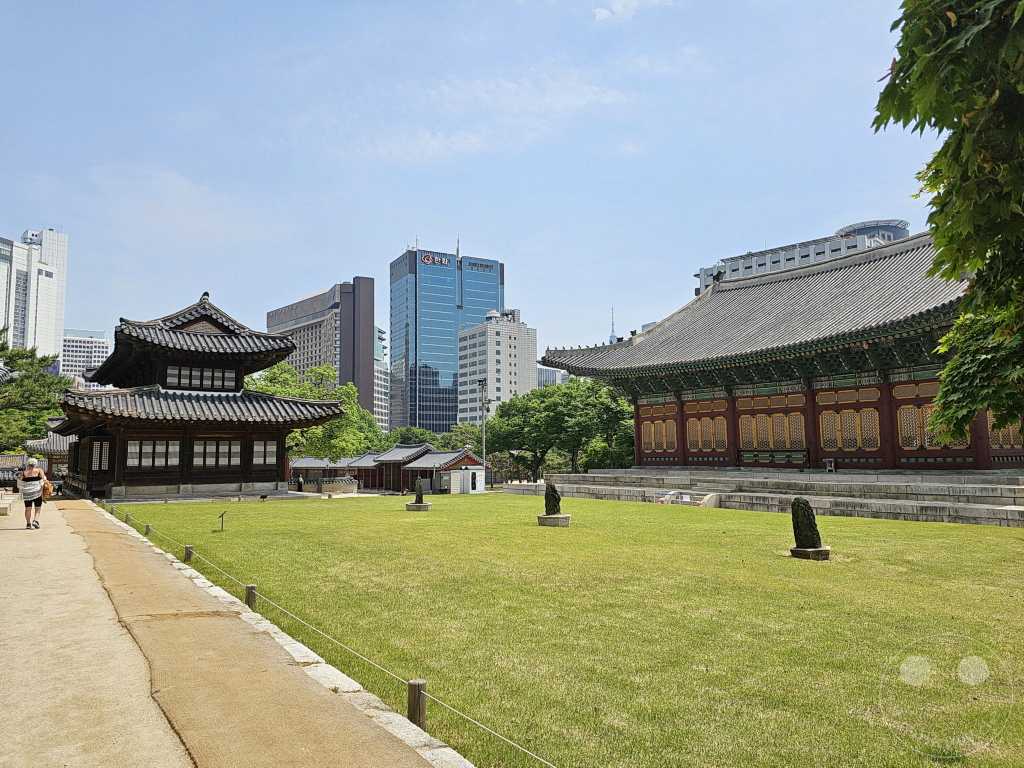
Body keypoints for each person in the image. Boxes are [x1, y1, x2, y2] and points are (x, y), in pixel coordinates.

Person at [19, 458, 47, 530]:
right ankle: (35, 520)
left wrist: (25, 487)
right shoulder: (39, 470)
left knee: (28, 508)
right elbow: (44, 479)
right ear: (35, 464)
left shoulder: (24, 473)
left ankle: (28, 523)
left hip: (27, 493)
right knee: (37, 507)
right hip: (37, 492)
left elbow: (19, 482)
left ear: (28, 464)